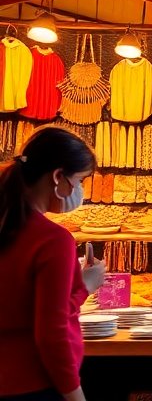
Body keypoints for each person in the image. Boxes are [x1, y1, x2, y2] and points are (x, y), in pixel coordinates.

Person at [0, 128, 101, 401]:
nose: (79, 190)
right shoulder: (52, 241)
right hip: (33, 383)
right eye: (79, 180)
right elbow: (51, 332)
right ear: (58, 177)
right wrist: (84, 288)